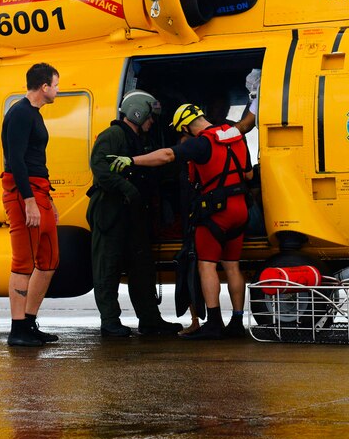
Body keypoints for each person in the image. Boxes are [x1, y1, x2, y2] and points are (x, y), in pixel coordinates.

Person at [109, 103, 252, 340]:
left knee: (206, 265)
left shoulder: (201, 142)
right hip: (240, 208)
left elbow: (167, 155)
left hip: (216, 213)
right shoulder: (235, 135)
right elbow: (248, 174)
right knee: (232, 266)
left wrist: (132, 160)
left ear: (185, 125)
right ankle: (237, 322)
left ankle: (214, 323)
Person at [87, 90, 183, 337]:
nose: (152, 122)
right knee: (107, 267)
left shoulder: (140, 140)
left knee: (142, 268)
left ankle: (150, 320)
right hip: (111, 211)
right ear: (137, 112)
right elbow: (100, 168)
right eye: (150, 116)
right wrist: (128, 189)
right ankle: (109, 321)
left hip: (135, 214)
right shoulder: (114, 135)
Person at [1, 63, 61, 347]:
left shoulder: (34, 114)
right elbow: (16, 160)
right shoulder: (20, 113)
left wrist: (47, 201)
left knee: (49, 261)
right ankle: (17, 329)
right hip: (23, 192)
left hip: (40, 191)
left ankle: (29, 321)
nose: (58, 90)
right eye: (56, 85)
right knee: (24, 262)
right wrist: (29, 202)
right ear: (44, 87)